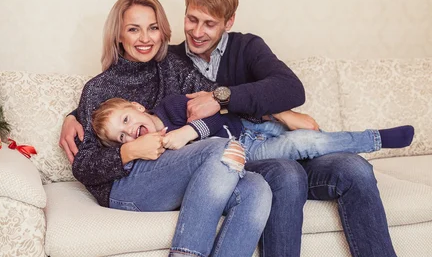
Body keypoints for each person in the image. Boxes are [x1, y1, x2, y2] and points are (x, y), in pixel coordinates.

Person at [60, 0, 410, 257]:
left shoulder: (209, 58)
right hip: (218, 159)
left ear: (227, 21)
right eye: (192, 20)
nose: (197, 31)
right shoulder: (160, 66)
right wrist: (80, 121)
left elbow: (261, 97)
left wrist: (264, 110)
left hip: (256, 145)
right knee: (261, 167)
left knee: (341, 170)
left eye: (208, 24)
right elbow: (104, 116)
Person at [72, 0, 272, 257]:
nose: (145, 38)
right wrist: (131, 150)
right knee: (217, 149)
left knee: (257, 189)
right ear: (119, 36)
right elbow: (83, 167)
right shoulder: (99, 88)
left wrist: (280, 111)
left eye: (152, 28)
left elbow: (222, 108)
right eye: (133, 29)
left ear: (163, 30)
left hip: (172, 176)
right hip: (125, 188)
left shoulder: (174, 70)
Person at [91, 95, 414, 160]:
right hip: (249, 151)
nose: (130, 131)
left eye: (126, 120)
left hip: (247, 124)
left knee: (315, 136)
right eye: (121, 136)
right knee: (306, 144)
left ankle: (355, 140)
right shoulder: (155, 152)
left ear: (137, 107)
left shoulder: (173, 107)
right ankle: (376, 139)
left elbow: (217, 116)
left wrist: (187, 131)